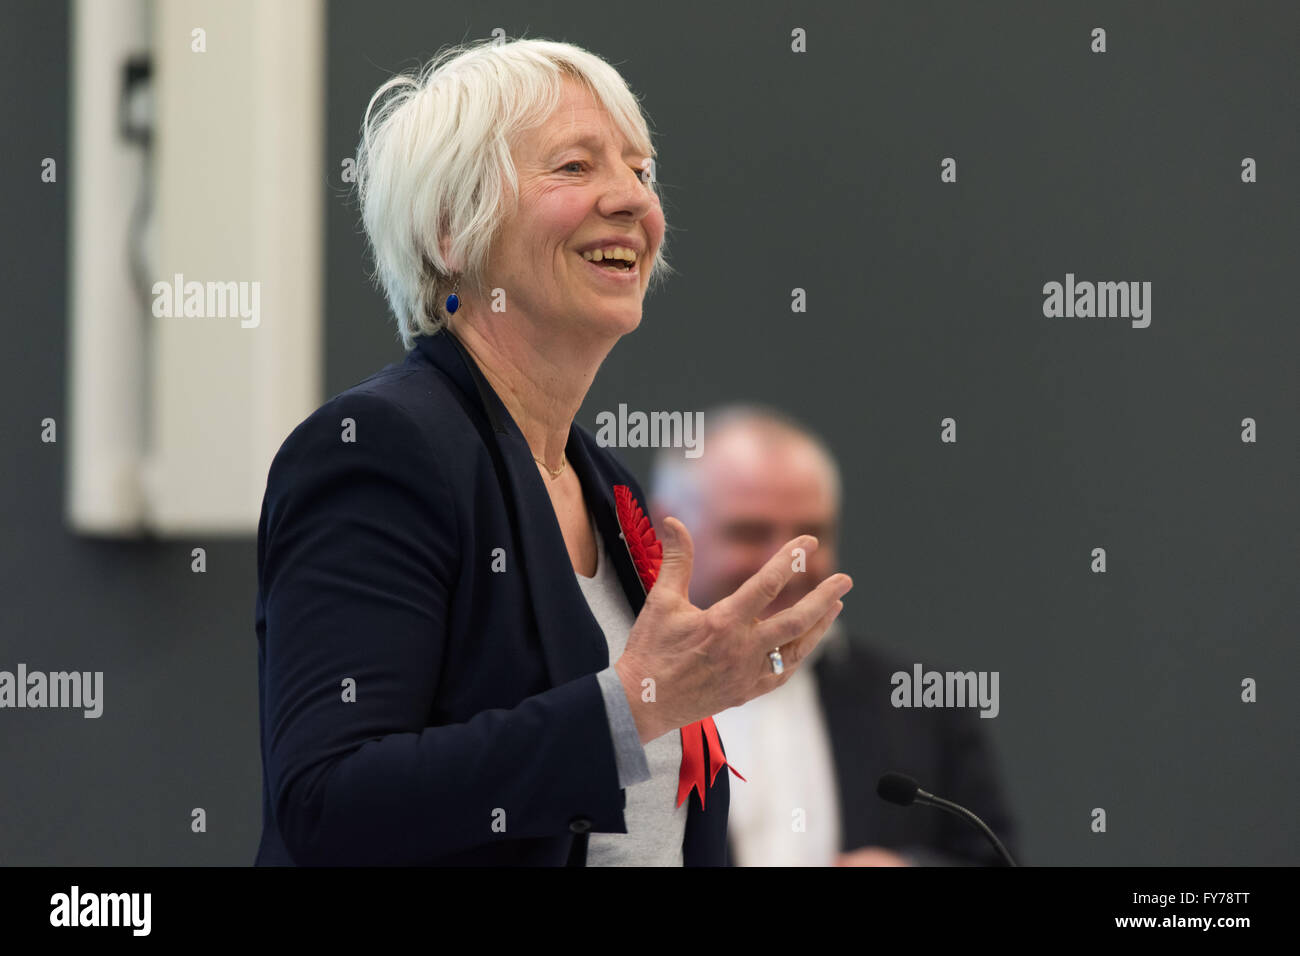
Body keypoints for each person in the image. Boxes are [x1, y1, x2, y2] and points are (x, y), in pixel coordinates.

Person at [252, 39, 853, 866]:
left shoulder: (604, 488)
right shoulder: (381, 452)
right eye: (574, 167)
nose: (632, 200)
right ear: (450, 231)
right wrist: (637, 703)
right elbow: (329, 802)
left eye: (641, 171)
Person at [651, 405, 1019, 866]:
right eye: (750, 533)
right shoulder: (628, 697)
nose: (788, 562)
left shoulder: (922, 703)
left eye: (811, 535)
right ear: (670, 534)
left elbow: (998, 858)